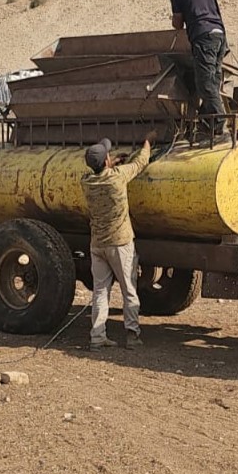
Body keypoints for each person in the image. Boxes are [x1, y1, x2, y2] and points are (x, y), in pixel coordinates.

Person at [81, 133, 156, 350]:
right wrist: (147, 142)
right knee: (129, 289)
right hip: (120, 243)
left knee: (100, 291)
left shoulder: (86, 181)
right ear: (106, 161)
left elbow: (99, 172)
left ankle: (97, 336)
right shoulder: (117, 177)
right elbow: (140, 162)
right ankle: (132, 336)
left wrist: (110, 163)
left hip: (97, 245)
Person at [167, 0, 227, 137]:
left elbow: (178, 24)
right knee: (213, 80)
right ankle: (206, 124)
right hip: (220, 34)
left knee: (205, 84)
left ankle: (219, 124)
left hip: (203, 37)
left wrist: (175, 20)